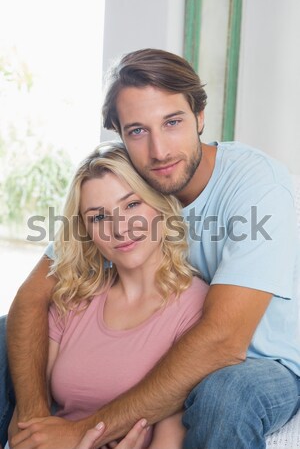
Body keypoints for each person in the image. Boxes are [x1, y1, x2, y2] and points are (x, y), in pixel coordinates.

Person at [1, 48, 300, 449]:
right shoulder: (129, 180)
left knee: (227, 394)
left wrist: (79, 433)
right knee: (6, 333)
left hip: (269, 360)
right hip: (183, 329)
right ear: (120, 133)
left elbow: (222, 342)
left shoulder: (257, 187)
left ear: (199, 115)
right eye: (138, 131)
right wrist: (34, 420)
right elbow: (32, 298)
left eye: (172, 122)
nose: (159, 151)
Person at [4, 143, 208, 449]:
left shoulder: (195, 306)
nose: (119, 228)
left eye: (131, 205)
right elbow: (27, 422)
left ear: (159, 206)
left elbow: (170, 439)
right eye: (99, 218)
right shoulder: (74, 298)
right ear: (86, 231)